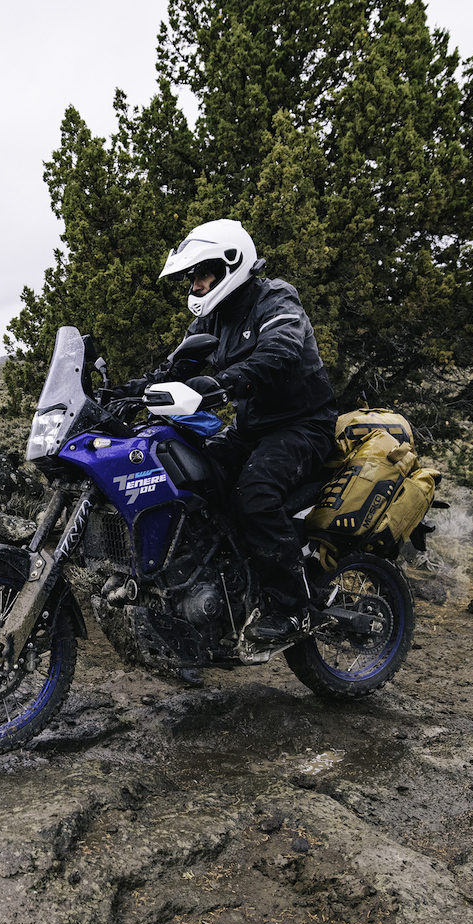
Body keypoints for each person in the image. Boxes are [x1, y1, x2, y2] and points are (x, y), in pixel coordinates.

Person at [154, 218, 338, 642]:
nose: (196, 284)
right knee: (192, 476)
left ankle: (294, 609)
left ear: (232, 263)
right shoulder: (213, 318)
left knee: (253, 496)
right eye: (192, 277)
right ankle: (221, 584)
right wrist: (124, 391)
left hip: (303, 425)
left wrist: (219, 384)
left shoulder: (275, 299)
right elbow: (175, 365)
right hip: (251, 428)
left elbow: (279, 353)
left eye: (203, 273)